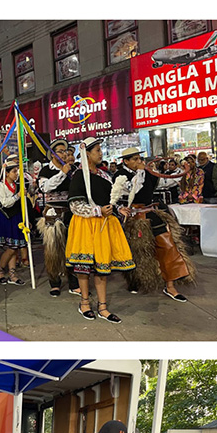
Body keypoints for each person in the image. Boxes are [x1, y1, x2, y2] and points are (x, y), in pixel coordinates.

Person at [65, 138, 134, 323]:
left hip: (104, 224)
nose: (100, 153)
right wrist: (97, 210)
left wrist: (118, 209)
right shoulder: (80, 175)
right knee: (84, 267)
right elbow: (75, 205)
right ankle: (85, 303)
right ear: (87, 153)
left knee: (102, 267)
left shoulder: (104, 176)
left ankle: (103, 307)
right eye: (97, 150)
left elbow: (109, 199)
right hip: (85, 225)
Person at [113, 148, 194, 303]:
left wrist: (181, 172)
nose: (139, 161)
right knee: (137, 253)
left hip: (151, 214)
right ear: (126, 161)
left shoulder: (147, 172)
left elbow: (163, 182)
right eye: (135, 159)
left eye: (139, 158)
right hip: (132, 218)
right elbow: (132, 190)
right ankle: (135, 282)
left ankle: (170, 285)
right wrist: (142, 173)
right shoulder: (120, 175)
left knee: (167, 245)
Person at [37, 138, 78, 297]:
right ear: (53, 154)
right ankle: (54, 282)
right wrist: (63, 173)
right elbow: (45, 187)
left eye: (65, 151)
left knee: (72, 248)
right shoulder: (46, 170)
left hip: (71, 212)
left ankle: (74, 282)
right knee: (52, 250)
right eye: (60, 151)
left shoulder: (73, 169)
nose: (64, 154)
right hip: (53, 213)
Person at [0, 158, 33, 287]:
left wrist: (27, 220)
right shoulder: (1, 186)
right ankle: (0, 270)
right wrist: (17, 196)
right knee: (11, 248)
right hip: (5, 218)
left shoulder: (19, 186)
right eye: (14, 171)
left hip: (17, 218)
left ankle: (12, 273)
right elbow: (5, 203)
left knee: (14, 247)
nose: (16, 174)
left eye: (17, 171)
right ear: (7, 173)